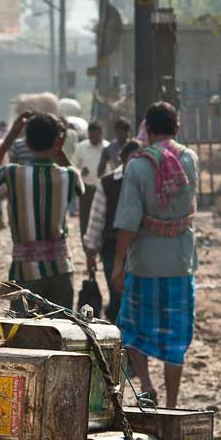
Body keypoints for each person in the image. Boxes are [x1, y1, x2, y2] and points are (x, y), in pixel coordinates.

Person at [111, 101, 198, 406]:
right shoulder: (190, 159)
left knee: (133, 329)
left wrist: (118, 264)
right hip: (180, 262)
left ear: (146, 129)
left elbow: (128, 219)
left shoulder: (137, 165)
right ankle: (172, 403)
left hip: (145, 262)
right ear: (177, 127)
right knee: (176, 337)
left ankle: (147, 386)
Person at [0, 111, 84, 311]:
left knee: (25, 335)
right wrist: (59, 148)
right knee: (61, 334)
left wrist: (10, 137)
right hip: (61, 269)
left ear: (27, 144)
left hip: (25, 274)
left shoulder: (12, 173)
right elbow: (80, 188)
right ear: (57, 141)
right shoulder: (69, 175)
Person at [84, 139, 140, 319]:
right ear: (122, 159)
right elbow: (97, 218)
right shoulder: (108, 183)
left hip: (140, 246)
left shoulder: (146, 180)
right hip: (112, 246)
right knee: (117, 293)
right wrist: (90, 251)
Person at [73, 121, 108, 237]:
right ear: (88, 134)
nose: (94, 138)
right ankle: (85, 243)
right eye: (91, 135)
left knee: (103, 217)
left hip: (103, 189)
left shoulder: (107, 148)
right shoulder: (81, 147)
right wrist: (81, 173)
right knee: (85, 218)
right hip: (86, 189)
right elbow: (73, 167)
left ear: (101, 134)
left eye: (96, 135)